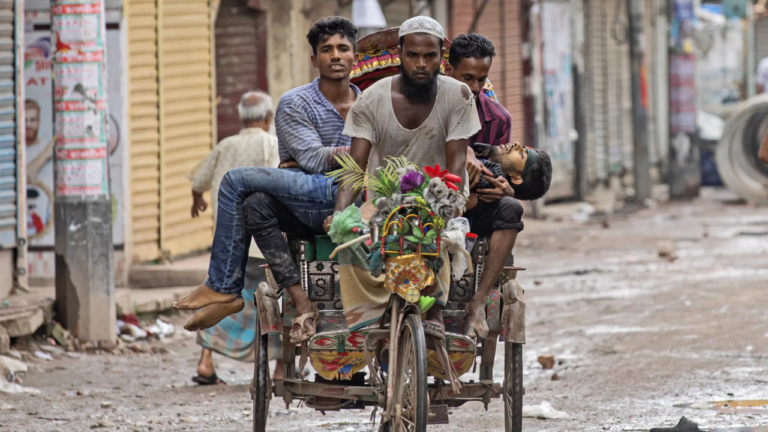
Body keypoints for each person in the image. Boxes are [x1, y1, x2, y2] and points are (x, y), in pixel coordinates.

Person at [172, 17, 361, 346]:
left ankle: (223, 287)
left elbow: (319, 158)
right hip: (309, 199)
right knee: (252, 201)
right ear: (314, 60)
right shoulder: (295, 102)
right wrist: (363, 152)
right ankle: (291, 298)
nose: (335, 55)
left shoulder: (370, 103)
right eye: (327, 49)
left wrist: (359, 155)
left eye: (343, 49)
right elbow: (314, 161)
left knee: (235, 182)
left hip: (356, 199)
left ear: (354, 57)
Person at [327, 16, 481, 336]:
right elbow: (355, 168)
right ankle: (372, 315)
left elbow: (455, 164)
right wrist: (341, 214)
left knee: (434, 234)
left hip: (441, 195)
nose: (421, 64)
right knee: (353, 243)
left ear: (442, 56)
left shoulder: (459, 96)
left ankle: (435, 310)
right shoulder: (371, 100)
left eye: (430, 56)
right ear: (400, 53)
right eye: (413, 55)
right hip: (386, 202)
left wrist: (445, 205)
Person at [443, 33, 551, 338]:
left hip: (472, 204)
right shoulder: (430, 103)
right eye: (468, 78)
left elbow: (500, 167)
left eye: (482, 79)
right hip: (431, 193)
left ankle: (476, 303)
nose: (476, 88)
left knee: (511, 208)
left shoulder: (497, 118)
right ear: (448, 72)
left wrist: (506, 189)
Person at [185, 91, 279, 385]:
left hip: (228, 243)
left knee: (221, 297)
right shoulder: (270, 144)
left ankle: (205, 361)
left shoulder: (225, 145)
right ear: (267, 117)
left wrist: (197, 200)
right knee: (275, 300)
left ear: (241, 118)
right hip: (262, 242)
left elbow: (198, 179)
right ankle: (280, 368)